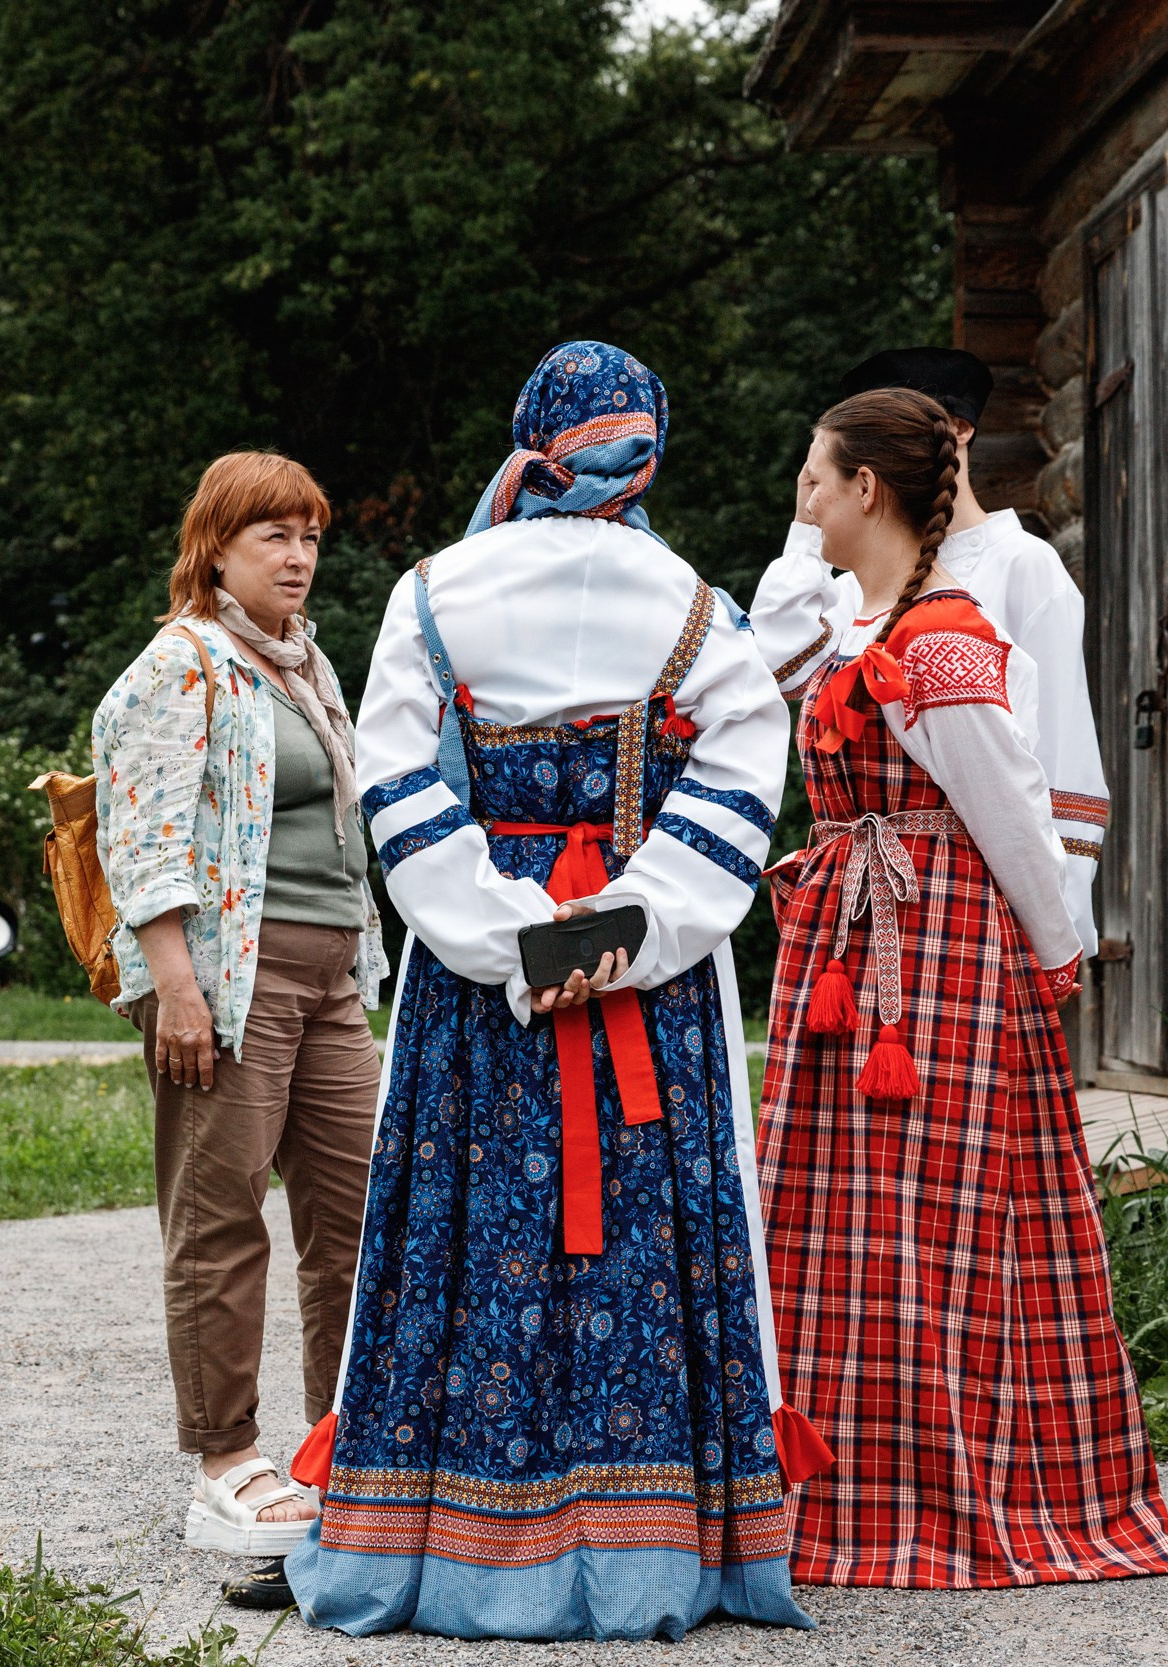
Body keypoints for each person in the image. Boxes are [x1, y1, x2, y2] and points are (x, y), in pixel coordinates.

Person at [284, 342, 818, 1640]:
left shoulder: (430, 593)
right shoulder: (698, 606)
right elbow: (739, 798)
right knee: (650, 1247)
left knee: (462, 1244)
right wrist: (617, 934)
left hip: (479, 997)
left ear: (534, 443)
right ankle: (653, 1555)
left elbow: (397, 796)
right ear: (651, 452)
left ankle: (451, 1543)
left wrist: (509, 939)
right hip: (651, 990)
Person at [751, 388, 1168, 1587]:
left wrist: (1056, 949)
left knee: (929, 1222)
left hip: (935, 949)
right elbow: (770, 647)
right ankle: (825, 1489)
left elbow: (1007, 804)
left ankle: (945, 1495)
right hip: (856, 938)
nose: (802, 490)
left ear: (865, 490)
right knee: (838, 1216)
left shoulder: (940, 630)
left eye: (813, 471)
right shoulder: (868, 620)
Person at [90, 452, 389, 1565]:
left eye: (309, 534)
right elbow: (143, 832)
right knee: (219, 1219)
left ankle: (341, 1438)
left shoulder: (306, 665)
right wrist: (177, 986)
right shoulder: (185, 664)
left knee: (358, 1215)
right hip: (232, 982)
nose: (299, 556)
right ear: (215, 547)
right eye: (273, 534)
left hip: (332, 981)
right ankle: (224, 1460)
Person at [752, 347, 1109, 956]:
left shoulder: (1023, 565)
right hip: (869, 902)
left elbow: (1057, 759)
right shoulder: (857, 588)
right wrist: (809, 522)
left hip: (973, 905)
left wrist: (1059, 931)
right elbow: (779, 668)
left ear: (956, 431)